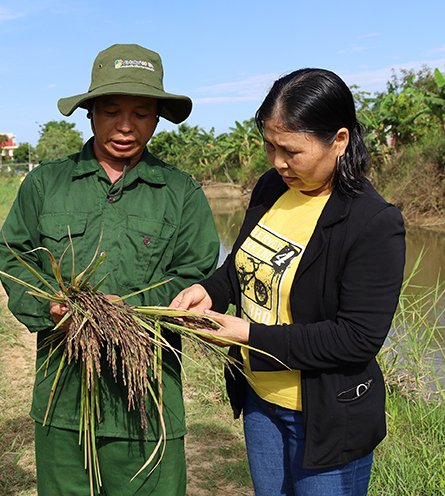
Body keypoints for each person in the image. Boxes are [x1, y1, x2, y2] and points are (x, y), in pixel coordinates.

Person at [0, 44, 220, 495]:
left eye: (141, 113)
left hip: (149, 403)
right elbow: (14, 254)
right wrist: (51, 304)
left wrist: (129, 310)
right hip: (65, 402)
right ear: (90, 112)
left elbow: (196, 273)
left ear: (157, 118)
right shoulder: (46, 183)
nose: (125, 125)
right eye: (111, 110)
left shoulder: (180, 192)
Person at [172, 68, 406, 495]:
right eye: (269, 145)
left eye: (291, 151)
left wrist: (249, 335)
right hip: (261, 402)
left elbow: (355, 339)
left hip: (324, 418)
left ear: (339, 141)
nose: (278, 162)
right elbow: (243, 266)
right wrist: (211, 289)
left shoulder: (373, 222)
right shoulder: (270, 188)